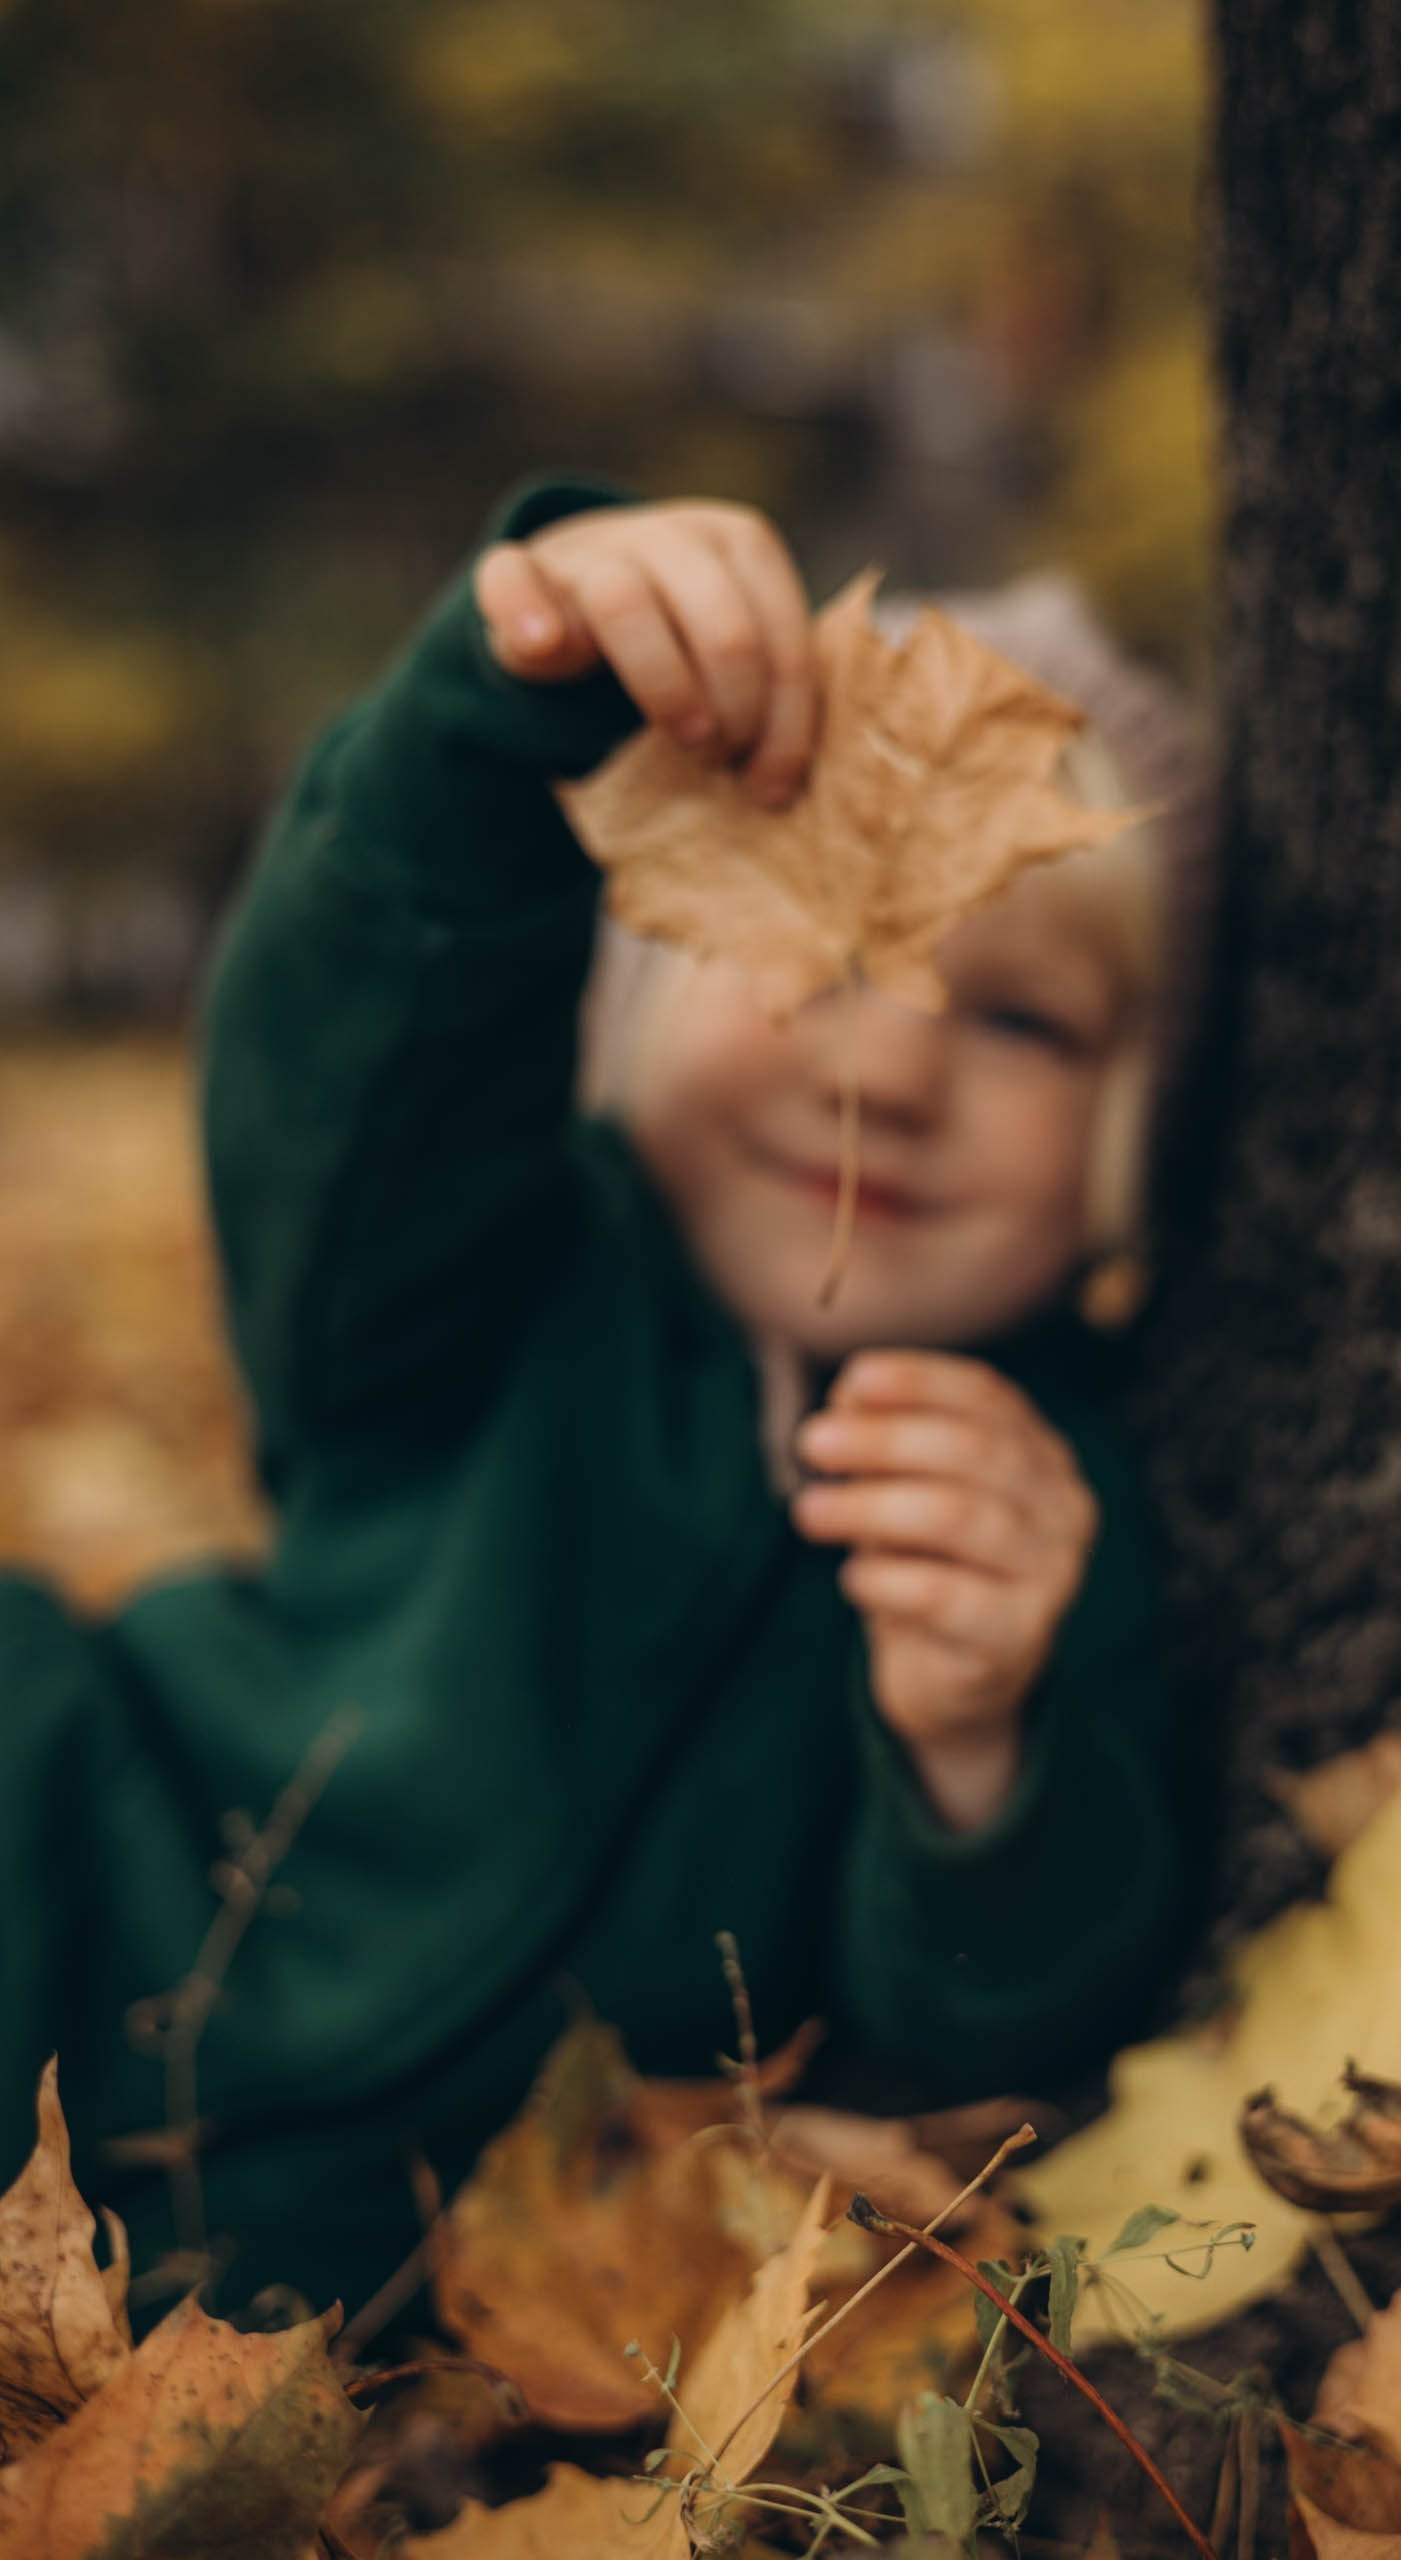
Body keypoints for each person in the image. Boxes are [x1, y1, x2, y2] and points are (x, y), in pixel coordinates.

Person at [0, 478, 1217, 2325]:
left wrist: (976, 1751)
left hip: (404, 2276)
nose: (886, 1060)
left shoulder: (1035, 1504)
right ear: (634, 971)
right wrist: (510, 714)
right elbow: (341, 1054)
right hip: (94, 1888)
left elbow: (999, 2007)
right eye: (811, 937)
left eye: (1025, 1021)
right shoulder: (481, 1257)